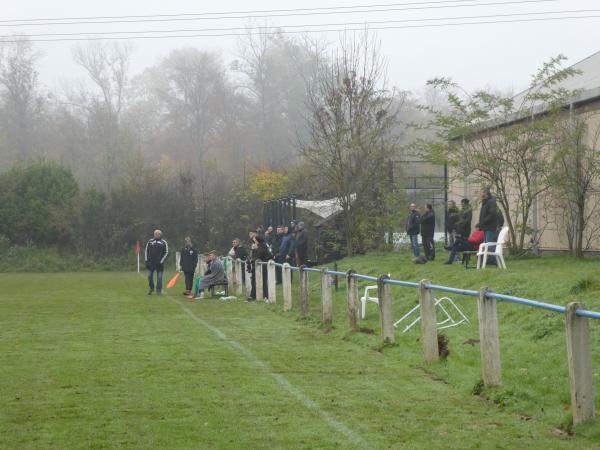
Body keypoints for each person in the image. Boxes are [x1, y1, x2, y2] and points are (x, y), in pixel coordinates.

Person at [479, 187, 499, 265]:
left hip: (490, 228)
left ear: (485, 193)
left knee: (489, 247)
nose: (480, 194)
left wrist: (484, 221)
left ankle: (496, 261)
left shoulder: (491, 202)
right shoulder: (485, 202)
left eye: (481, 192)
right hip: (486, 228)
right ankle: (491, 261)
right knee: (488, 246)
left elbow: (492, 214)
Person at [145, 229, 169, 296]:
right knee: (149, 276)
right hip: (151, 263)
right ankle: (151, 288)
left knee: (159, 278)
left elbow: (166, 252)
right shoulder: (150, 241)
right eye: (155, 234)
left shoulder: (164, 242)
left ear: (160, 235)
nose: (156, 235)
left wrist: (161, 261)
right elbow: (146, 251)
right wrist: (146, 261)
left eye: (157, 234)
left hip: (159, 264)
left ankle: (158, 291)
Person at [249, 235, 273, 301]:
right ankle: (256, 295)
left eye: (255, 240)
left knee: (264, 281)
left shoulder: (262, 246)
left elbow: (259, 256)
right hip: (260, 265)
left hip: (263, 265)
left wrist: (253, 259)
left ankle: (266, 296)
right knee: (258, 280)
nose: (254, 241)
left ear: (258, 240)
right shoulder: (261, 245)